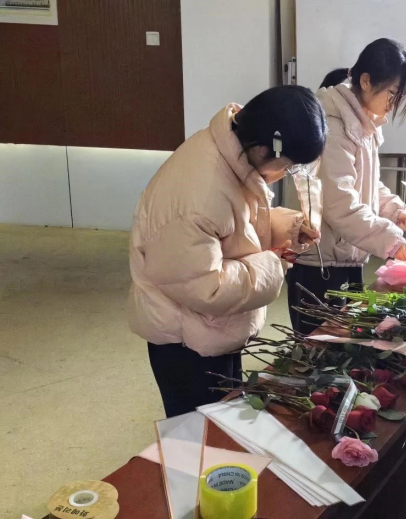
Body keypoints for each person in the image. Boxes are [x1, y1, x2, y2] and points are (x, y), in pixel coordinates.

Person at [128, 86, 327, 418]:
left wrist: (290, 228)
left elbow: (236, 227)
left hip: (211, 329)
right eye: (288, 165)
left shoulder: (232, 154)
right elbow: (207, 287)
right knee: (198, 434)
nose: (285, 173)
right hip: (186, 341)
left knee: (223, 419)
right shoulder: (200, 193)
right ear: (264, 148)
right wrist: (274, 263)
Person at [287, 38, 406, 334]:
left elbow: (367, 183)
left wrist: (393, 210)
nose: (393, 104)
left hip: (345, 257)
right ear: (366, 81)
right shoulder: (335, 126)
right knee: (319, 351)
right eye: (393, 93)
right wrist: (392, 242)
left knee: (344, 345)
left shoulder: (361, 123)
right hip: (320, 264)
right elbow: (339, 204)